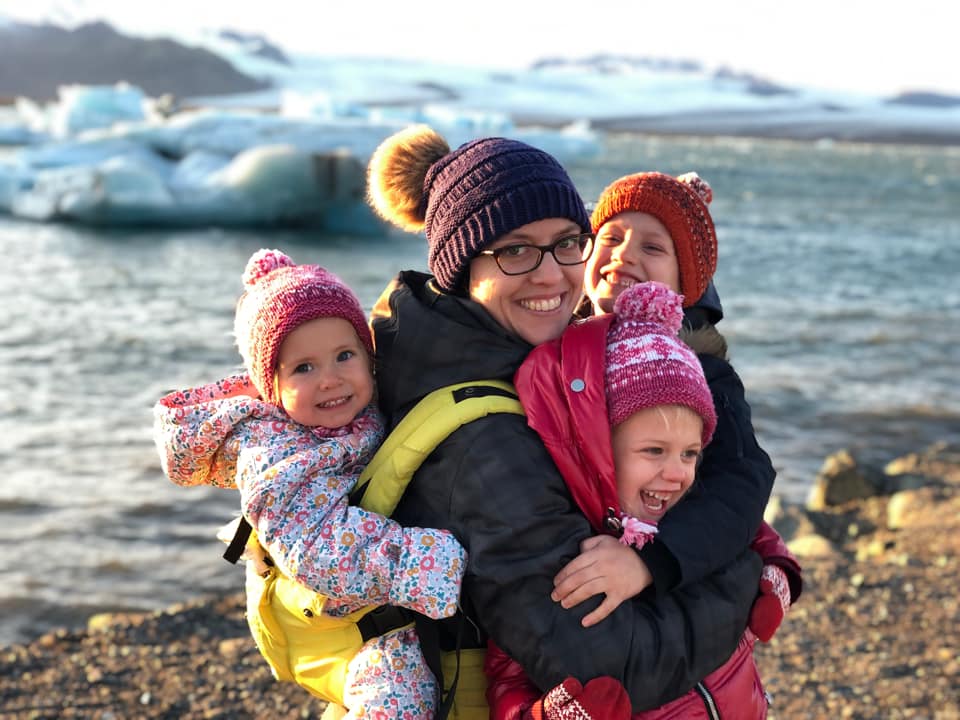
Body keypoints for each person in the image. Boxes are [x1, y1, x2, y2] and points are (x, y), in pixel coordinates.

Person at [364, 124, 764, 718]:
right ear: (459, 267)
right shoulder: (487, 440)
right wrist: (750, 576)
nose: (553, 275)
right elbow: (607, 668)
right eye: (515, 251)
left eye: (568, 241)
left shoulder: (537, 357)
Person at [153, 249, 466, 718]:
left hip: (360, 607)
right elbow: (316, 545)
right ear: (270, 385)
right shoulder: (275, 453)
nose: (331, 380)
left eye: (345, 355)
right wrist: (426, 561)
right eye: (304, 368)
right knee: (399, 693)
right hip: (337, 625)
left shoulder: (360, 409)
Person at [487, 280, 800, 719]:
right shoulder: (575, 538)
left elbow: (749, 529)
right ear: (599, 448)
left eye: (690, 454)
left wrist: (778, 569)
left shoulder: (691, 517)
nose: (677, 473)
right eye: (653, 451)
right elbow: (509, 668)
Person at [583, 171, 801, 631]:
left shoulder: (703, 371)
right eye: (612, 237)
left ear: (685, 285)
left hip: (660, 574)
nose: (624, 255)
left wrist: (653, 563)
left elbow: (743, 479)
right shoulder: (556, 348)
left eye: (653, 247)